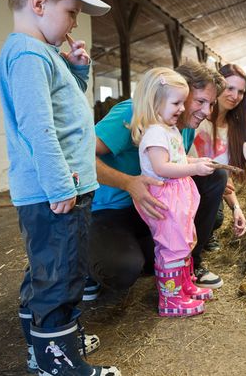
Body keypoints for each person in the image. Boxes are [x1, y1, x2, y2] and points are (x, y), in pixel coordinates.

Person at [0, 0, 120, 376]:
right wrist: (60, 186)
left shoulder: (41, 54)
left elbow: (64, 108)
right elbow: (38, 126)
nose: (73, 24)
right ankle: (58, 362)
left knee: (48, 269)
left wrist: (79, 71)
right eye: (70, 12)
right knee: (62, 275)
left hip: (59, 187)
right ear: (38, 4)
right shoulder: (29, 55)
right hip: (58, 190)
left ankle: (47, 343)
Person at [89, 60, 227, 294]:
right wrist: (128, 183)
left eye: (211, 104)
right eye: (201, 101)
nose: (207, 112)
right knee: (122, 269)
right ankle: (82, 260)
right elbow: (80, 156)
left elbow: (180, 163)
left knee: (216, 177)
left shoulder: (184, 124)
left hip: (154, 206)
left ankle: (188, 264)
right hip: (112, 208)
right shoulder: (133, 112)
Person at [129, 67, 214, 316]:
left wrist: (193, 161)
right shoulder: (155, 132)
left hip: (177, 195)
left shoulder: (169, 128)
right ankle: (170, 298)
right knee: (171, 245)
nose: (181, 108)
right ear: (155, 102)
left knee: (183, 240)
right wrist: (194, 167)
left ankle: (184, 285)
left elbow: (176, 157)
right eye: (176, 102)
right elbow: (162, 167)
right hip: (165, 198)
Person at [189, 63, 246, 250]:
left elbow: (225, 176)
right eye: (230, 88)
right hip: (183, 183)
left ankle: (205, 233)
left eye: (241, 92)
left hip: (209, 187)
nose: (235, 96)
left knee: (217, 217)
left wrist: (236, 208)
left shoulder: (234, 130)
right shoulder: (196, 118)